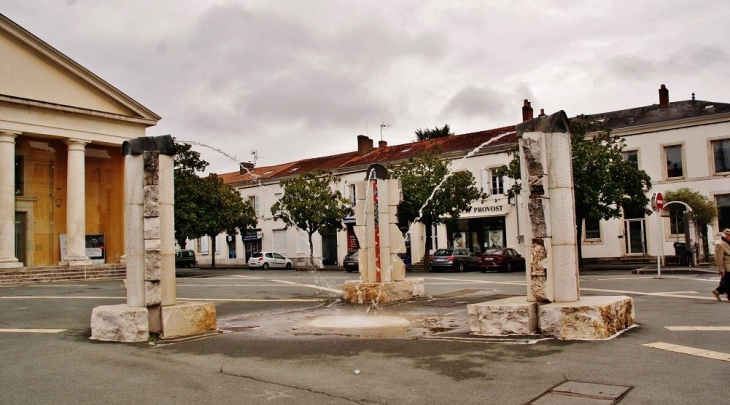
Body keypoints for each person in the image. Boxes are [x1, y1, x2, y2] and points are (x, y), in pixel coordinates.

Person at [712, 229, 730, 302]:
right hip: (727, 266)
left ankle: (717, 291)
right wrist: (721, 269)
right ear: (725, 236)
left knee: (726, 282)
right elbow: (718, 258)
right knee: (729, 282)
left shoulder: (728, 243)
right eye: (729, 236)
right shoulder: (720, 244)